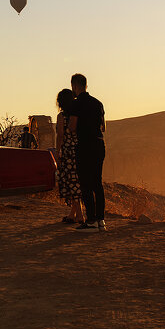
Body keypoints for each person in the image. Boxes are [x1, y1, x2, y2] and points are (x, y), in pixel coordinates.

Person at [69, 73, 106, 232]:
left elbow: (72, 126)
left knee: (85, 184)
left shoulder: (76, 104)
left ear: (75, 86)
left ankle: (90, 221)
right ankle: (101, 221)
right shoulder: (98, 103)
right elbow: (103, 127)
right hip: (99, 145)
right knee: (97, 183)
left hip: (85, 146)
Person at [54, 90, 83, 224]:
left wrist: (57, 151)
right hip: (79, 150)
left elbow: (60, 134)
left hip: (68, 152)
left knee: (71, 183)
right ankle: (73, 214)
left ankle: (80, 215)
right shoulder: (78, 114)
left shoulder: (62, 116)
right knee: (77, 181)